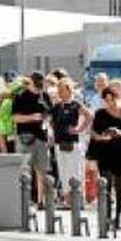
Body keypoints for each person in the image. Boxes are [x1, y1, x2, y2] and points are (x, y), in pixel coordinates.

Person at [90, 87, 121, 227]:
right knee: (105, 184)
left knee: (120, 186)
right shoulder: (100, 113)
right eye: (106, 100)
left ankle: (118, 217)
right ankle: (106, 217)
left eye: (111, 99)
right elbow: (93, 133)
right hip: (104, 152)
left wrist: (119, 133)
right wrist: (101, 138)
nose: (109, 103)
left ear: (117, 98)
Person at [49, 78, 91, 207]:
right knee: (63, 171)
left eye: (62, 90)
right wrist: (52, 134)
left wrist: (79, 129)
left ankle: (79, 200)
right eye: (59, 90)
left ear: (69, 90)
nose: (60, 93)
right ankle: (67, 201)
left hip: (73, 142)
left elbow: (89, 115)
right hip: (59, 142)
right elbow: (51, 122)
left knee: (76, 170)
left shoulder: (75, 105)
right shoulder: (56, 106)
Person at [13, 72, 52, 206]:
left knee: (42, 171)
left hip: (42, 137)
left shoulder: (45, 96)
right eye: (36, 82)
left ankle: (41, 201)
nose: (38, 85)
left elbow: (50, 114)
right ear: (30, 81)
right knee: (25, 170)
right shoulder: (20, 96)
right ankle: (25, 201)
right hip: (25, 138)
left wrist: (47, 122)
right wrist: (32, 117)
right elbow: (15, 118)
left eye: (40, 81)